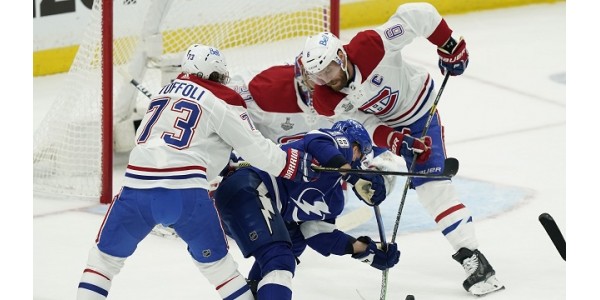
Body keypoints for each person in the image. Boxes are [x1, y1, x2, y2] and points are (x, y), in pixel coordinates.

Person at [75, 43, 318, 300]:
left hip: (136, 189)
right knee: (223, 274)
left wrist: (219, 162)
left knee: (101, 265)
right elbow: (257, 150)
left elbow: (172, 145)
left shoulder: (162, 94)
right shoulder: (224, 99)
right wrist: (295, 164)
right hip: (187, 194)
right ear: (220, 75)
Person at [300, 2, 504, 296]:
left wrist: (448, 44)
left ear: (341, 57)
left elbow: (417, 14)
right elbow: (364, 123)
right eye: (318, 76)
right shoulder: (325, 98)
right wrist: (395, 140)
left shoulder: (370, 46)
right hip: (391, 129)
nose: (326, 80)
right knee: (355, 168)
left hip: (420, 113)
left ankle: (473, 257)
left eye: (329, 70)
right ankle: (384, 171)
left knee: (431, 186)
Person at [213, 119, 401, 300]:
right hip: (249, 185)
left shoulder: (333, 198)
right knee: (280, 262)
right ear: (355, 147)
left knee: (294, 241)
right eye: (360, 155)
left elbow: (319, 235)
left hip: (246, 202)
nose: (359, 161)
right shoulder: (336, 145)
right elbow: (317, 142)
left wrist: (366, 251)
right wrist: (354, 177)